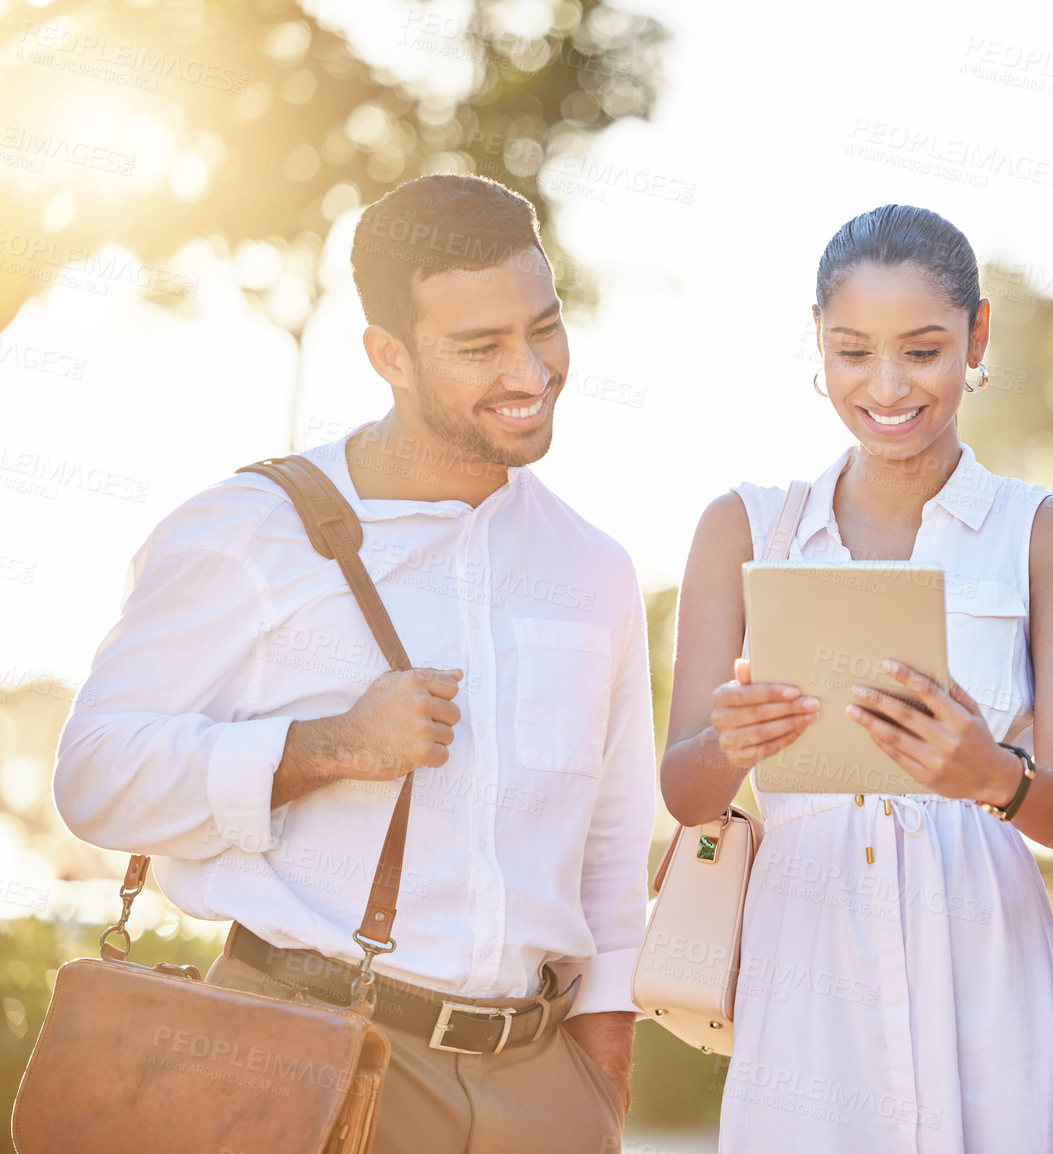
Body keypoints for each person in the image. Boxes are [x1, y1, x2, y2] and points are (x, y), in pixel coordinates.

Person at [53, 174, 652, 1154]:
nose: (531, 370)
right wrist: (326, 745)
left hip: (545, 1090)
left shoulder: (594, 569)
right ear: (390, 356)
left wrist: (600, 1082)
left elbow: (613, 851)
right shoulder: (245, 533)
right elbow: (96, 777)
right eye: (479, 347)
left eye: (542, 328)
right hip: (301, 1065)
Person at [660, 204, 1053, 1152]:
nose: (887, 386)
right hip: (805, 966)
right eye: (852, 352)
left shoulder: (1049, 535)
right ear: (817, 345)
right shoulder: (743, 528)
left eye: (922, 350)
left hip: (982, 963)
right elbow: (683, 789)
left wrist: (990, 775)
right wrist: (729, 744)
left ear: (977, 336)